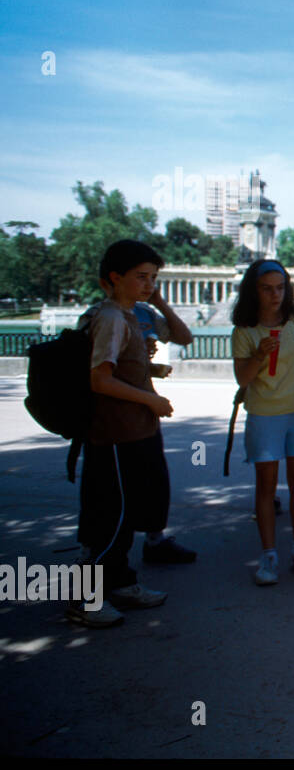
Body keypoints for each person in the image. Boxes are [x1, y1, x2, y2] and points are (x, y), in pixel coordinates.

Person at [67, 240, 195, 628]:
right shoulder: (109, 317)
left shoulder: (126, 315)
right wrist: (151, 400)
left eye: (153, 279)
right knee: (112, 517)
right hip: (116, 435)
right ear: (113, 278)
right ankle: (85, 599)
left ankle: (119, 581)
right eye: (142, 277)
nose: (148, 286)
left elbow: (118, 369)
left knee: (124, 515)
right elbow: (99, 380)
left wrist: (148, 374)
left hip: (132, 431)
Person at [231, 260, 294, 585]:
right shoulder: (244, 330)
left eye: (280, 287)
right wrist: (259, 355)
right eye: (267, 288)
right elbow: (243, 378)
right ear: (253, 291)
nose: (275, 295)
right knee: (266, 485)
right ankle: (268, 553)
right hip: (264, 413)